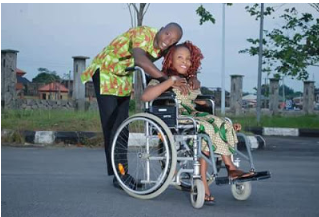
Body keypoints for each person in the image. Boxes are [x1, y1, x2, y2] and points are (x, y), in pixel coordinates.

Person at [81, 23, 200, 189]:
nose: (168, 41)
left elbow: (182, 56)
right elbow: (140, 60)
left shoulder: (167, 46)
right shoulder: (142, 34)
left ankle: (121, 173)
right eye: (167, 34)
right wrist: (166, 80)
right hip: (106, 71)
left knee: (122, 127)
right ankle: (120, 175)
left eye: (173, 40)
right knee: (112, 126)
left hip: (123, 77)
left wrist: (192, 76)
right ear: (161, 29)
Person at [141, 41, 254, 204]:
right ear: (169, 60)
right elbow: (146, 97)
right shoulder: (160, 78)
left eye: (188, 59)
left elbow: (199, 102)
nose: (184, 61)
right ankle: (206, 183)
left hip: (193, 115)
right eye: (179, 57)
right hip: (176, 116)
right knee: (206, 128)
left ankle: (231, 168)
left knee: (223, 123)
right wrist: (170, 81)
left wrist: (199, 93)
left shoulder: (189, 80)